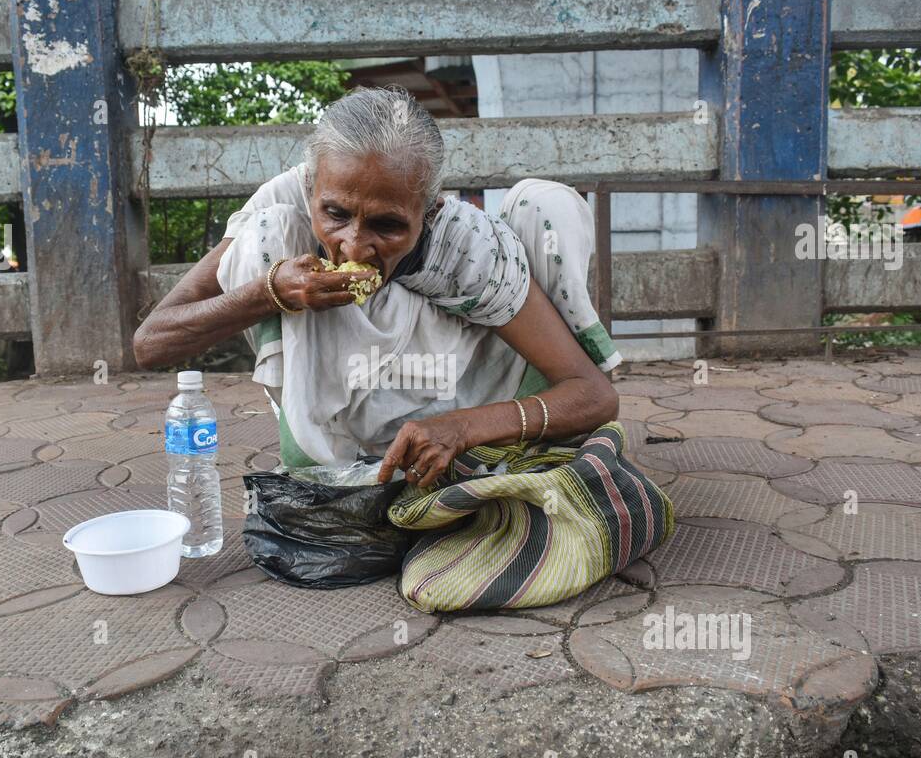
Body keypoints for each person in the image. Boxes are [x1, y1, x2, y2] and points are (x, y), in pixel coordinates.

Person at [134, 86, 621, 489]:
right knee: (261, 236)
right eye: (336, 214)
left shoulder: (467, 245)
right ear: (311, 190)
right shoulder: (286, 203)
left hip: (461, 398)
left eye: (387, 225)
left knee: (547, 205)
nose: (354, 246)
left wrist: (463, 428)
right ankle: (320, 461)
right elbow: (151, 343)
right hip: (347, 421)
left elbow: (594, 396)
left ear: (429, 212)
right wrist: (271, 292)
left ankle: (515, 451)